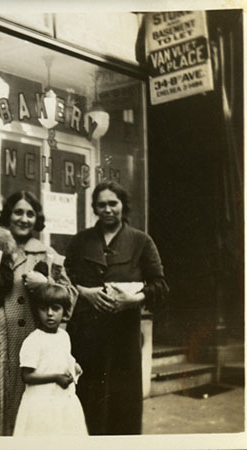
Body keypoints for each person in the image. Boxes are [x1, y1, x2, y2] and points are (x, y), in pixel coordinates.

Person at [65, 181, 168, 435]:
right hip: (87, 336)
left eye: (113, 203)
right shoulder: (81, 241)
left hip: (124, 336)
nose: (108, 209)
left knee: (124, 402)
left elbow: (160, 285)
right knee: (89, 398)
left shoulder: (141, 241)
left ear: (123, 205)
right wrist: (85, 293)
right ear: (94, 208)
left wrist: (133, 300)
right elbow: (65, 278)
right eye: (102, 204)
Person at [0, 191, 77, 436]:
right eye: (18, 212)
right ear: (9, 215)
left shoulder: (48, 254)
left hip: (34, 338)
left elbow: (70, 296)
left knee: (31, 405)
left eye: (30, 213)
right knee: (1, 396)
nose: (24, 219)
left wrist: (46, 282)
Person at [13, 284, 87, 436]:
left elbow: (62, 358)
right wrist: (56, 377)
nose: (49, 314)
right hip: (40, 404)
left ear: (64, 311)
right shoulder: (33, 340)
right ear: (36, 310)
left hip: (61, 402)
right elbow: (26, 376)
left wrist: (74, 366)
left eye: (55, 308)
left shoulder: (63, 336)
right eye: (44, 308)